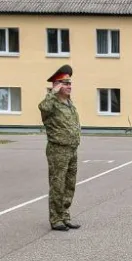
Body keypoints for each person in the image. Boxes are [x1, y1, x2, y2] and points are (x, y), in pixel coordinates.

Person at [39, 65, 82, 231]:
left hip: (72, 149)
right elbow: (42, 107)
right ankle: (56, 218)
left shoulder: (69, 103)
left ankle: (64, 215)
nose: (69, 86)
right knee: (58, 184)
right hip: (58, 150)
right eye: (65, 83)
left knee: (69, 184)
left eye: (70, 83)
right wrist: (52, 92)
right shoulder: (51, 104)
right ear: (56, 85)